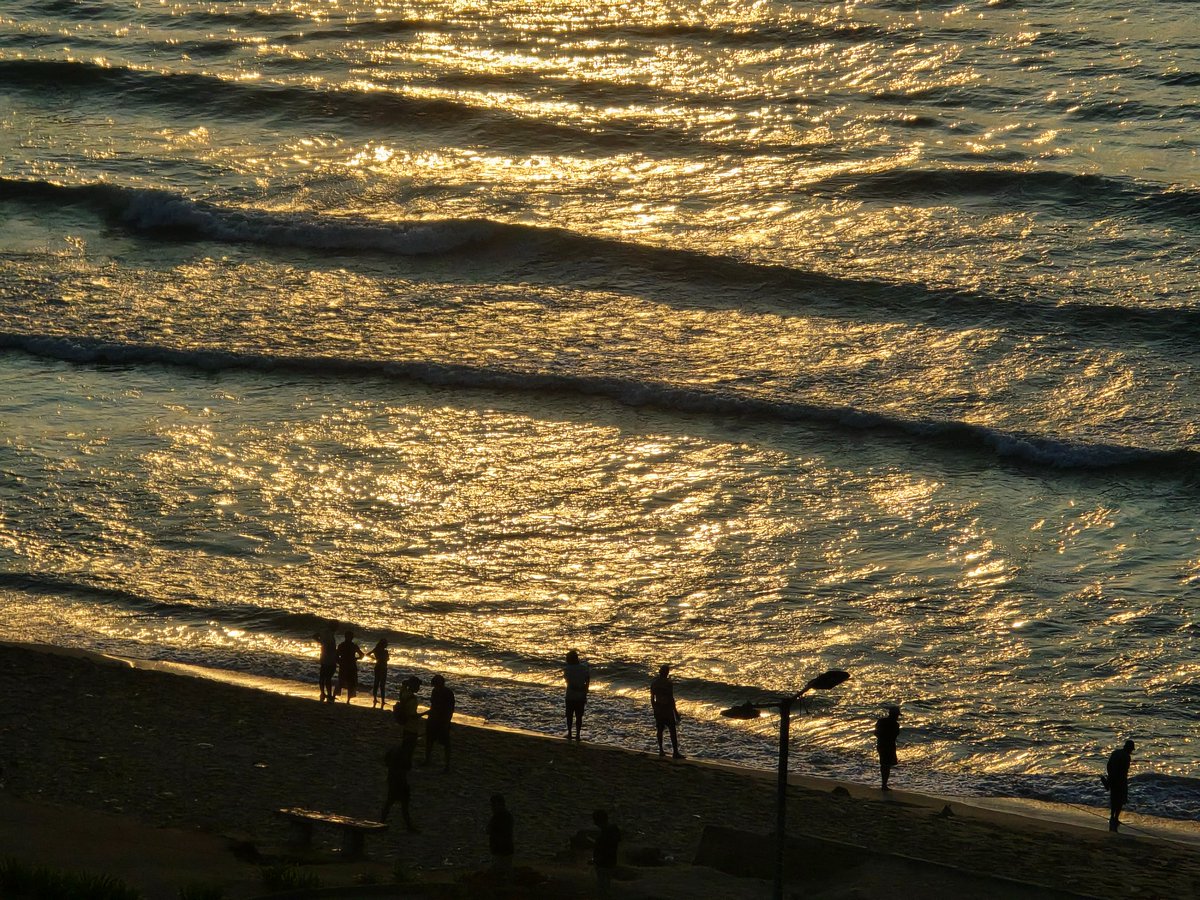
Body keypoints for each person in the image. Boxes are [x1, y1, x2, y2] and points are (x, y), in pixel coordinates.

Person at [380, 744, 417, 832]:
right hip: (400, 782)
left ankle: (381, 822)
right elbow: (408, 767)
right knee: (403, 806)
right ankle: (409, 826)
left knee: (389, 803)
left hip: (392, 780)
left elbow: (386, 761)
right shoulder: (405, 754)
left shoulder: (394, 750)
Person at [650, 664, 684, 759]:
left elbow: (652, 699)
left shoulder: (654, 683)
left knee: (660, 730)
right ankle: (675, 752)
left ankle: (661, 750)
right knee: (672, 730)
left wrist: (654, 709)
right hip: (667, 709)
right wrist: (675, 712)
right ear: (667, 673)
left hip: (658, 709)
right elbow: (671, 698)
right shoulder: (668, 683)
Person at [425, 674, 456, 770]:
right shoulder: (435, 691)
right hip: (433, 719)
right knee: (429, 741)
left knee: (446, 743)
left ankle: (447, 765)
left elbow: (450, 709)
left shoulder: (448, 693)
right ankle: (427, 760)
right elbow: (433, 706)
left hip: (442, 720)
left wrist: (446, 722)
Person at [1104, 739, 1135, 832]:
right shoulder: (1126, 757)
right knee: (1120, 800)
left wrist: (1110, 776)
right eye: (1131, 749)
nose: (1131, 751)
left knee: (1113, 798)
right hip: (1120, 780)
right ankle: (1116, 818)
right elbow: (1124, 771)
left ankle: (1112, 816)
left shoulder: (1115, 753)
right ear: (1129, 748)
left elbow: (1108, 765)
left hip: (1112, 778)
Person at [394, 676, 424, 769]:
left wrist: (407, 682)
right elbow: (412, 715)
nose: (419, 688)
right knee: (410, 748)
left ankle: (402, 762)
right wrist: (424, 713)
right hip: (412, 726)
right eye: (417, 686)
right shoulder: (413, 699)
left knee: (405, 745)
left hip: (405, 725)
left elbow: (403, 684)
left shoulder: (404, 693)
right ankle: (406, 765)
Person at [592, 808, 620, 898]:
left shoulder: (605, 833)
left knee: (602, 888)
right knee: (606, 885)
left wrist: (596, 859)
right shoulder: (613, 830)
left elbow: (605, 849)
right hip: (610, 861)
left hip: (603, 863)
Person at [563, 649, 590, 742]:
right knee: (579, 716)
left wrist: (576, 688)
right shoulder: (583, 667)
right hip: (581, 695)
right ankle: (578, 734)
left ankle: (570, 733)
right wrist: (585, 689)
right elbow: (588, 678)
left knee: (569, 715)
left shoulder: (568, 668)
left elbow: (568, 681)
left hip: (570, 695)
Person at [874, 705, 900, 790]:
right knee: (887, 766)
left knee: (884, 765)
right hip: (889, 746)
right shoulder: (895, 725)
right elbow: (894, 736)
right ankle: (884, 785)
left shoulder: (881, 721)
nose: (897, 717)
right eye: (897, 715)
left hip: (881, 744)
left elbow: (876, 733)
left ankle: (884, 784)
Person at [487, 793, 514, 874]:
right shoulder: (506, 816)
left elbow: (490, 830)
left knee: (499, 873)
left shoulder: (498, 817)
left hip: (501, 850)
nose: (492, 807)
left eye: (493, 805)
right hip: (504, 850)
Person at [334, 630, 363, 703]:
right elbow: (362, 655)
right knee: (351, 682)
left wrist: (339, 661)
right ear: (352, 637)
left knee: (341, 680)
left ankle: (334, 696)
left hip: (344, 665)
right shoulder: (354, 646)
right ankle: (348, 700)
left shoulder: (342, 645)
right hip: (351, 665)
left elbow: (336, 655)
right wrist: (356, 659)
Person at [313, 624, 337, 702]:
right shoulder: (329, 634)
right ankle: (328, 694)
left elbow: (314, 636)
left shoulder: (324, 632)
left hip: (324, 657)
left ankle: (323, 693)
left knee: (323, 676)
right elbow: (330, 647)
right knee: (328, 677)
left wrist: (320, 642)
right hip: (330, 658)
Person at [367, 638, 389, 707]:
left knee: (376, 683)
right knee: (382, 685)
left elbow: (367, 654)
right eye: (386, 643)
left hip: (378, 666)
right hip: (383, 668)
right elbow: (387, 659)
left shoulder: (376, 650)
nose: (387, 644)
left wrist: (374, 658)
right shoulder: (385, 652)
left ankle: (375, 699)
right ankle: (382, 700)